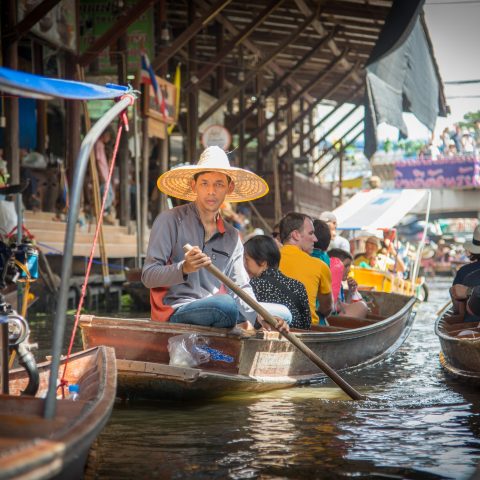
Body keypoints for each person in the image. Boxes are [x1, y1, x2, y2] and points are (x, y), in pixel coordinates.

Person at [142, 146, 288, 333]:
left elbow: (240, 286)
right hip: (177, 310)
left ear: (229, 188)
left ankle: (245, 324)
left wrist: (261, 318)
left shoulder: (232, 236)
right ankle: (235, 326)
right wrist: (184, 268)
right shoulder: (170, 220)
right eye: (204, 183)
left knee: (283, 314)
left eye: (219, 184)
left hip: (215, 308)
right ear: (194, 186)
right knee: (225, 305)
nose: (211, 191)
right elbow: (148, 276)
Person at [244, 235, 312, 330]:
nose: (244, 265)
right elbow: (307, 325)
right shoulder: (298, 286)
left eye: (247, 259)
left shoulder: (252, 286)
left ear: (263, 262)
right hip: (298, 341)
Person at [278, 212, 333, 325]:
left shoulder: (266, 260)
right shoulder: (319, 266)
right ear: (296, 235)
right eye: (311, 233)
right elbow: (326, 309)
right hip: (306, 330)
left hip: (270, 325)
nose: (315, 239)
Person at [328, 248, 369, 318]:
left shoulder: (339, 285)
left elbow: (344, 309)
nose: (349, 270)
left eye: (349, 266)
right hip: (327, 320)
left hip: (334, 319)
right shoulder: (327, 282)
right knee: (362, 306)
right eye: (346, 266)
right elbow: (334, 306)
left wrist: (351, 292)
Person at [93, 129, 115, 222]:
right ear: (104, 135)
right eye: (108, 136)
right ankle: (102, 211)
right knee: (109, 194)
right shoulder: (98, 144)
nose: (108, 139)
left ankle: (103, 211)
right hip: (103, 175)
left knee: (109, 194)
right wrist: (100, 175)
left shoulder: (101, 145)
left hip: (105, 175)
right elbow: (97, 161)